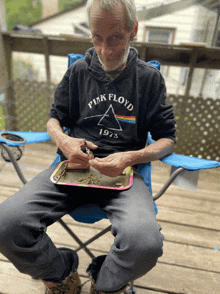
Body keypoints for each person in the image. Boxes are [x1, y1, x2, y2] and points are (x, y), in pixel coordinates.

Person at [0, 0, 176, 294]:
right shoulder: (79, 71)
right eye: (97, 37)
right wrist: (64, 141)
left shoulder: (148, 79)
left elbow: (167, 140)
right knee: (6, 226)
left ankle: (106, 283)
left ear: (133, 31)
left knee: (145, 244)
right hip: (71, 168)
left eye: (115, 38)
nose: (105, 51)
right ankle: (60, 274)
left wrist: (131, 156)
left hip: (122, 177)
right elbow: (54, 120)